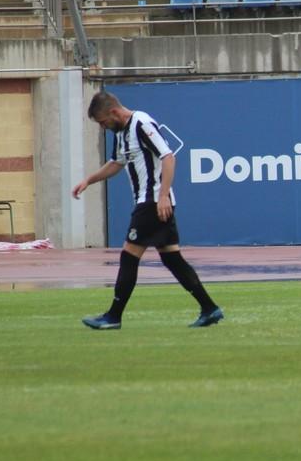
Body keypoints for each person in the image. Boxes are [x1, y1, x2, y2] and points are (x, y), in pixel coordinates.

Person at [72, 91, 223, 330]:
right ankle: (209, 308)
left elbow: (168, 157)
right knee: (172, 259)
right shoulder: (121, 132)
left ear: (113, 112)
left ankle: (113, 316)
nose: (103, 127)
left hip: (152, 203)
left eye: (102, 122)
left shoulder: (141, 123)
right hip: (151, 202)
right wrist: (89, 180)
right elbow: (117, 163)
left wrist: (162, 196)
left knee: (128, 257)